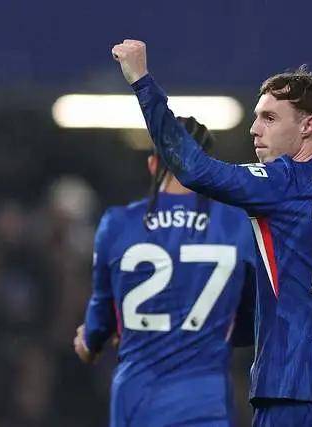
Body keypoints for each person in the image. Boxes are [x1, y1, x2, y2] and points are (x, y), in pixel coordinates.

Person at [112, 39, 312, 427]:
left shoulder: (282, 182)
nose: (255, 129)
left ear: (308, 126)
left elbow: (194, 169)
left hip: (291, 394)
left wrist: (142, 81)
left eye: (270, 118)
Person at [73, 117, 256, 427]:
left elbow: (98, 325)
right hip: (204, 399)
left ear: (153, 164)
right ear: (206, 166)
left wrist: (89, 342)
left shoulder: (118, 224)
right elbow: (253, 318)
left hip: (137, 401)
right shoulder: (236, 224)